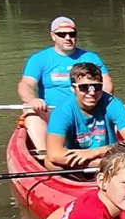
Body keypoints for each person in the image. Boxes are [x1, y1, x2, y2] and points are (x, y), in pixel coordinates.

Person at [17, 16, 113, 153]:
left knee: (110, 107)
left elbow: (107, 83)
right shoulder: (39, 59)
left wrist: (99, 102)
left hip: (86, 111)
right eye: (62, 34)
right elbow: (26, 84)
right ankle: (46, 155)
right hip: (50, 111)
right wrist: (32, 99)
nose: (68, 37)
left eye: (72, 34)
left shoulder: (91, 58)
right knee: (29, 110)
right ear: (53, 36)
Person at [45, 62, 125, 169]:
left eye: (96, 87)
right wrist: (94, 161)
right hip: (80, 162)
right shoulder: (62, 112)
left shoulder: (113, 104)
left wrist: (95, 152)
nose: (92, 93)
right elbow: (54, 154)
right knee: (49, 162)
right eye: (84, 87)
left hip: (109, 156)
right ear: (73, 89)